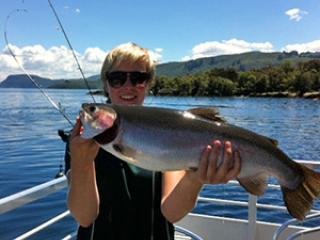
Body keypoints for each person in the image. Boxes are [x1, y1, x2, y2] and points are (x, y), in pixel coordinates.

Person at [67, 42, 241, 240]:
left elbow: (172, 213)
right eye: (117, 78)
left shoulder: (169, 131)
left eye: (138, 78)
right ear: (106, 84)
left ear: (148, 84)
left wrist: (195, 179)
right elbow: (84, 217)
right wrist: (81, 163)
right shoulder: (81, 141)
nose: (128, 86)